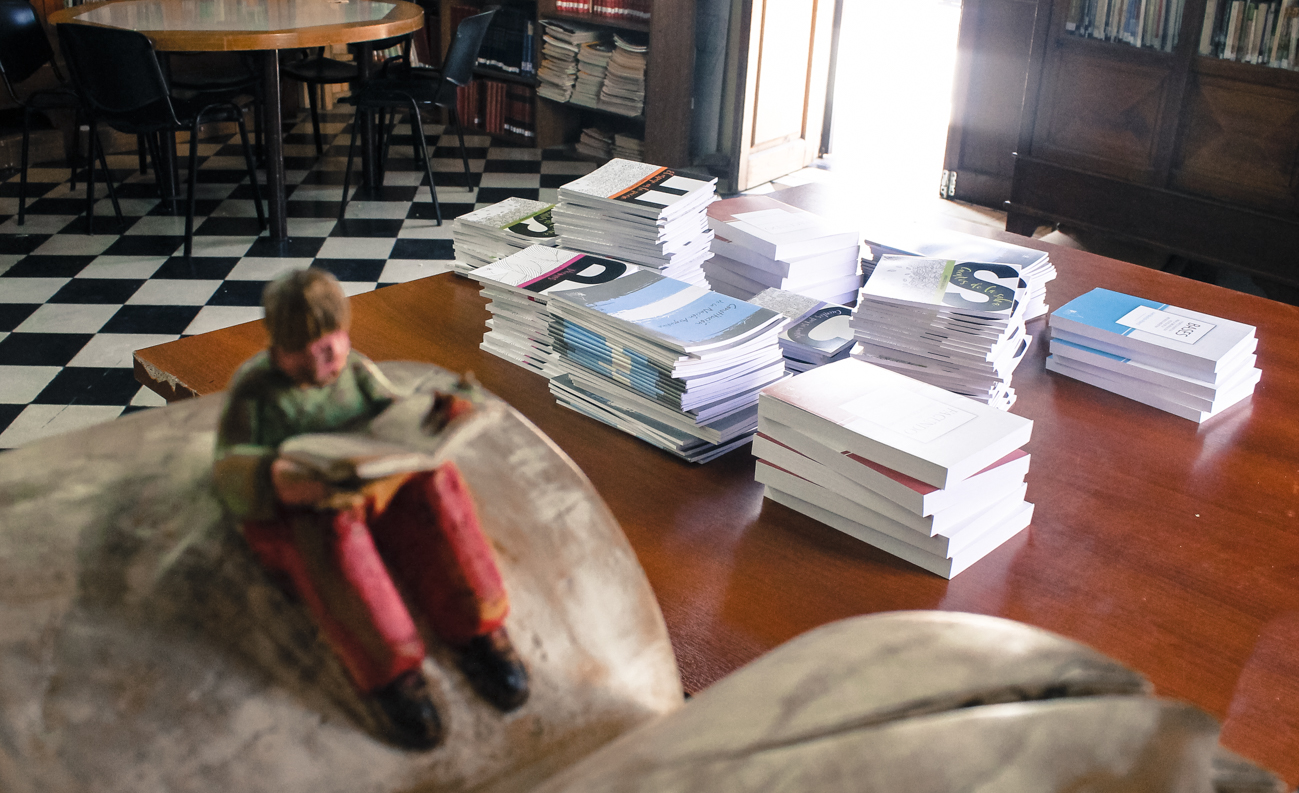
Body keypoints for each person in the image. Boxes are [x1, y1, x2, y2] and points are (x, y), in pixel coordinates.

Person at [212, 268, 527, 750]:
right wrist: (273, 476)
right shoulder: (255, 391)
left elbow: (392, 411)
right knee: (333, 535)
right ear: (280, 348)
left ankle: (475, 625)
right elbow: (228, 465)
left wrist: (431, 421)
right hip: (306, 508)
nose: (324, 360)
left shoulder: (355, 371)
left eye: (332, 346)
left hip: (370, 487)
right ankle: (392, 669)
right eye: (306, 350)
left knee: (436, 484)